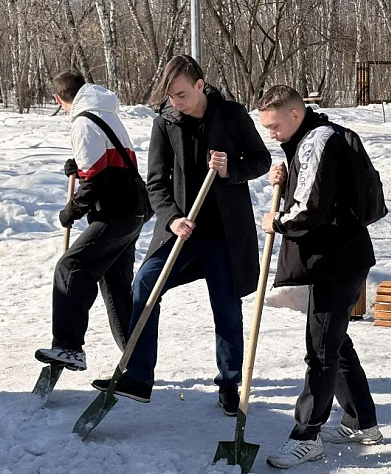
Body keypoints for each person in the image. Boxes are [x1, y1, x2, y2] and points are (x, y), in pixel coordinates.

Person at [91, 55, 270, 415]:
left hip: (224, 235)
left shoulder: (232, 115)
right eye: (171, 96)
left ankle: (229, 383)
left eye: (182, 94)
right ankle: (139, 376)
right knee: (145, 283)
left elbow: (260, 160)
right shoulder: (165, 123)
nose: (176, 102)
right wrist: (172, 219)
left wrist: (229, 170)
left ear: (200, 85)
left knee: (226, 308)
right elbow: (156, 182)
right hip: (181, 233)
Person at [256, 85, 381, 469]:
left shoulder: (316, 141)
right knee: (335, 342)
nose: (271, 134)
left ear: (296, 115)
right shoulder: (319, 137)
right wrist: (286, 167)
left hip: (335, 259)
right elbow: (322, 185)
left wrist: (277, 221)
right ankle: (362, 422)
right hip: (343, 254)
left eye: (275, 126)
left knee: (322, 350)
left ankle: (307, 436)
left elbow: (310, 207)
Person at [35, 71, 147, 371]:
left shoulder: (83, 122)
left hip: (116, 212)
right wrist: (79, 167)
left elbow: (95, 180)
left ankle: (69, 347)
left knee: (71, 267)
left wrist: (71, 211)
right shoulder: (105, 112)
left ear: (58, 99)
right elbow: (109, 162)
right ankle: (137, 363)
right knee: (115, 286)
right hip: (132, 208)